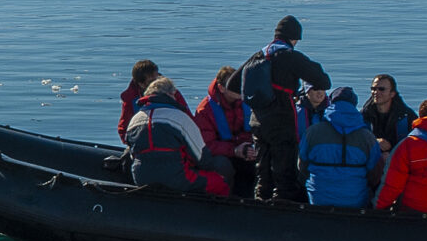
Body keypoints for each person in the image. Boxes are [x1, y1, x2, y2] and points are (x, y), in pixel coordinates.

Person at [239, 16, 331, 203]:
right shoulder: (290, 56)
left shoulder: (258, 55)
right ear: (294, 38)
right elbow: (323, 81)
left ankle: (260, 202)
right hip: (281, 119)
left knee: (262, 166)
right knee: (284, 168)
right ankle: (283, 205)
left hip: (257, 119)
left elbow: (234, 82)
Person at [123, 77, 225, 195]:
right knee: (219, 182)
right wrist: (213, 168)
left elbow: (132, 154)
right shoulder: (179, 117)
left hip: (141, 177)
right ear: (170, 95)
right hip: (175, 178)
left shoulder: (134, 120)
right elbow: (201, 156)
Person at [301, 84, 384, 210]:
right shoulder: (367, 137)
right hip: (356, 199)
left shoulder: (313, 132)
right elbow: (375, 173)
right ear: (354, 104)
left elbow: (302, 166)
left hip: (318, 198)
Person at [195, 67, 258, 199]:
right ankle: (224, 201)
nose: (239, 88)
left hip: (242, 150)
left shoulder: (247, 102)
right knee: (223, 166)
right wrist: (234, 150)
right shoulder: (205, 111)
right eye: (234, 85)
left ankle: (257, 199)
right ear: (222, 88)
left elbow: (254, 129)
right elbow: (206, 145)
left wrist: (248, 147)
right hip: (221, 154)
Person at [361, 75, 412, 151]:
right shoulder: (363, 115)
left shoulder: (407, 116)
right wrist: (374, 141)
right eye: (373, 89)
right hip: (372, 157)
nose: (376, 92)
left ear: (392, 93)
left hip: (398, 157)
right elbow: (356, 139)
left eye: (381, 89)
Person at [118, 59, 161, 138]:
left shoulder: (171, 92)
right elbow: (124, 129)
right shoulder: (130, 99)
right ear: (140, 84)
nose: (155, 84)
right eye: (151, 81)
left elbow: (186, 115)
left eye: (157, 79)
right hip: (141, 143)